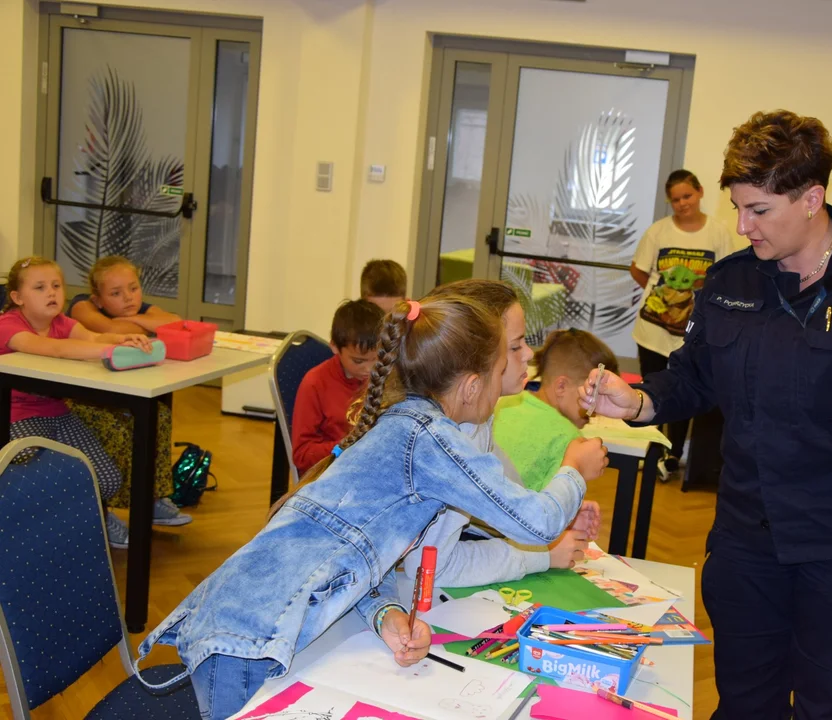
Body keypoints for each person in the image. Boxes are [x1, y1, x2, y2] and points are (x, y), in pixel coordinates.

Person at [582, 110, 832, 719]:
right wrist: (641, 401)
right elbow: (696, 374)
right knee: (745, 702)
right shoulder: (732, 282)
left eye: (759, 210)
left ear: (812, 198)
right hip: (747, 542)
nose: (741, 225)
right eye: (737, 207)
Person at [137, 294, 609, 719]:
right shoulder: (431, 441)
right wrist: (573, 467)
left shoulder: (407, 426)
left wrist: (385, 615)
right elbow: (537, 523)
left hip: (257, 631)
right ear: (469, 386)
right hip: (250, 642)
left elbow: (348, 555)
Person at [402, 280, 602, 588]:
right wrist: (542, 554)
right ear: (475, 362)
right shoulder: (454, 439)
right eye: (515, 345)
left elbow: (506, 493)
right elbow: (433, 568)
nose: (530, 354)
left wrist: (560, 506)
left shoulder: (475, 418)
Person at [0, 256, 154, 549]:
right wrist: (109, 349)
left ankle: (92, 517)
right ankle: (49, 531)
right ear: (17, 297)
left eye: (56, 285)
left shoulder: (62, 322)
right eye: (40, 287)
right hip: (14, 416)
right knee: (31, 478)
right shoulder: (7, 325)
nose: (51, 293)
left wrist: (123, 341)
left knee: (107, 480)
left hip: (57, 413)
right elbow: (54, 349)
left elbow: (94, 338)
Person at [67, 255, 190, 527]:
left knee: (159, 415)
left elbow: (175, 321)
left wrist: (134, 319)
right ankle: (107, 506)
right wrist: (145, 322)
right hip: (81, 395)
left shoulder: (138, 308)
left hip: (122, 391)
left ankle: (152, 498)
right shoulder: (81, 306)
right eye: (116, 293)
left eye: (133, 288)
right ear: (98, 299)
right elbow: (110, 328)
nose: (128, 297)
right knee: (121, 427)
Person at [630, 170, 735, 479]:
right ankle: (650, 452)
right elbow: (638, 270)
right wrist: (660, 294)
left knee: (681, 390)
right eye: (675, 199)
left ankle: (673, 454)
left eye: (687, 196)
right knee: (650, 390)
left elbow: (725, 277)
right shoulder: (658, 232)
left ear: (700, 192)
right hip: (652, 332)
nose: (681, 203)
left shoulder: (718, 233)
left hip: (692, 333)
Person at [494, 328, 619, 492]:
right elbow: (558, 507)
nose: (599, 408)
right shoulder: (572, 441)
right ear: (561, 386)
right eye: (595, 394)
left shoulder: (508, 402)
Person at [291, 298, 382, 476]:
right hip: (333, 474)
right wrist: (347, 445)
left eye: (377, 358)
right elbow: (302, 455)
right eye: (358, 361)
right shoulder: (315, 383)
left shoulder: (385, 374)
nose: (370, 369)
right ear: (334, 346)